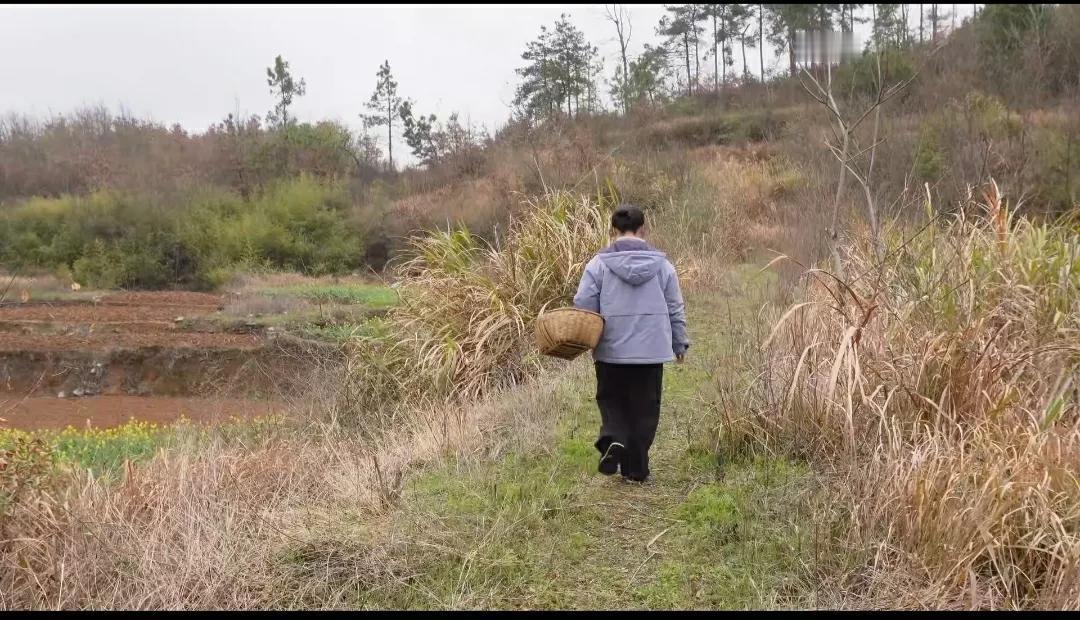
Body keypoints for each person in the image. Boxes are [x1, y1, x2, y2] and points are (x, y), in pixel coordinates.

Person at [572, 203, 689, 483]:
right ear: (643, 229)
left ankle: (613, 438)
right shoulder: (663, 266)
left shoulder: (597, 264)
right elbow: (675, 307)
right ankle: (636, 470)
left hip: (610, 350)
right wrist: (679, 341)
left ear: (614, 231)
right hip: (650, 352)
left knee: (612, 400)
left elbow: (583, 304)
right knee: (645, 409)